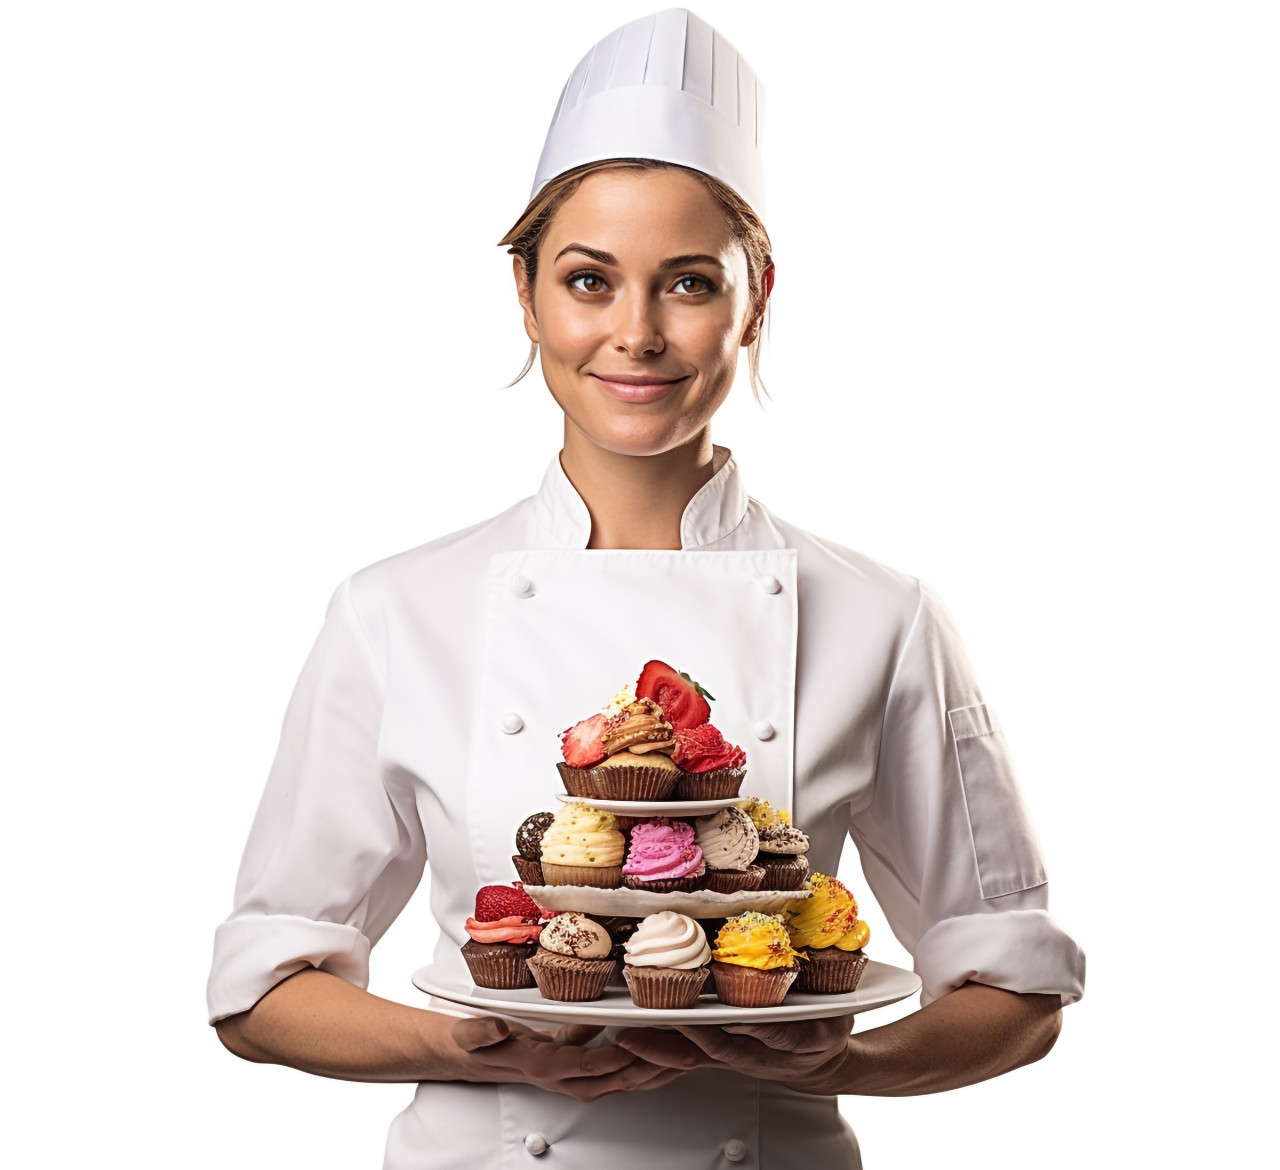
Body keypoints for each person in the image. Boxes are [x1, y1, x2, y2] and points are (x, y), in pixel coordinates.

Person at [207, 9, 1085, 1167]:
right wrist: (479, 1048)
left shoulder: (881, 616)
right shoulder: (394, 609)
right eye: (587, 281)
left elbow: (1010, 980)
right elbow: (264, 985)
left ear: (754, 299)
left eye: (685, 282)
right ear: (525, 296)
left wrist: (845, 1062)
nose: (634, 334)